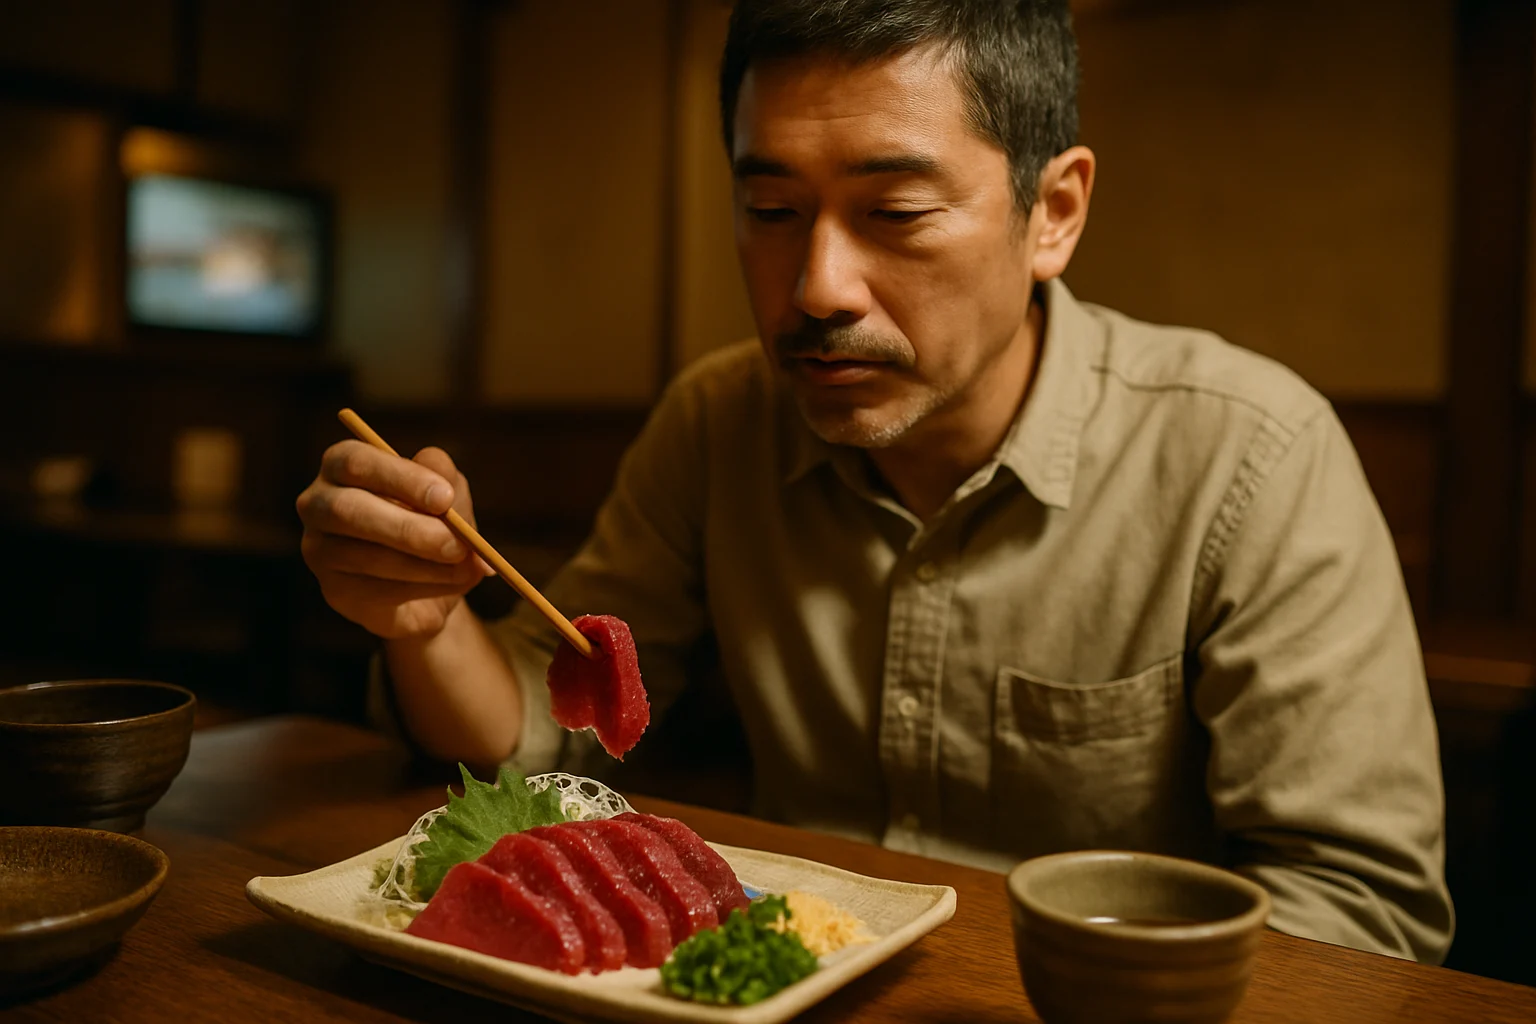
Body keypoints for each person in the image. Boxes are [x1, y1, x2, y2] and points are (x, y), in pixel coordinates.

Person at [296, 0, 1452, 963]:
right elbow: (547, 731)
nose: (817, 287)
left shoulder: (1249, 453)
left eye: (895, 212)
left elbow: (1364, 910)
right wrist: (426, 616)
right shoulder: (717, 420)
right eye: (770, 211)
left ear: (1053, 213)